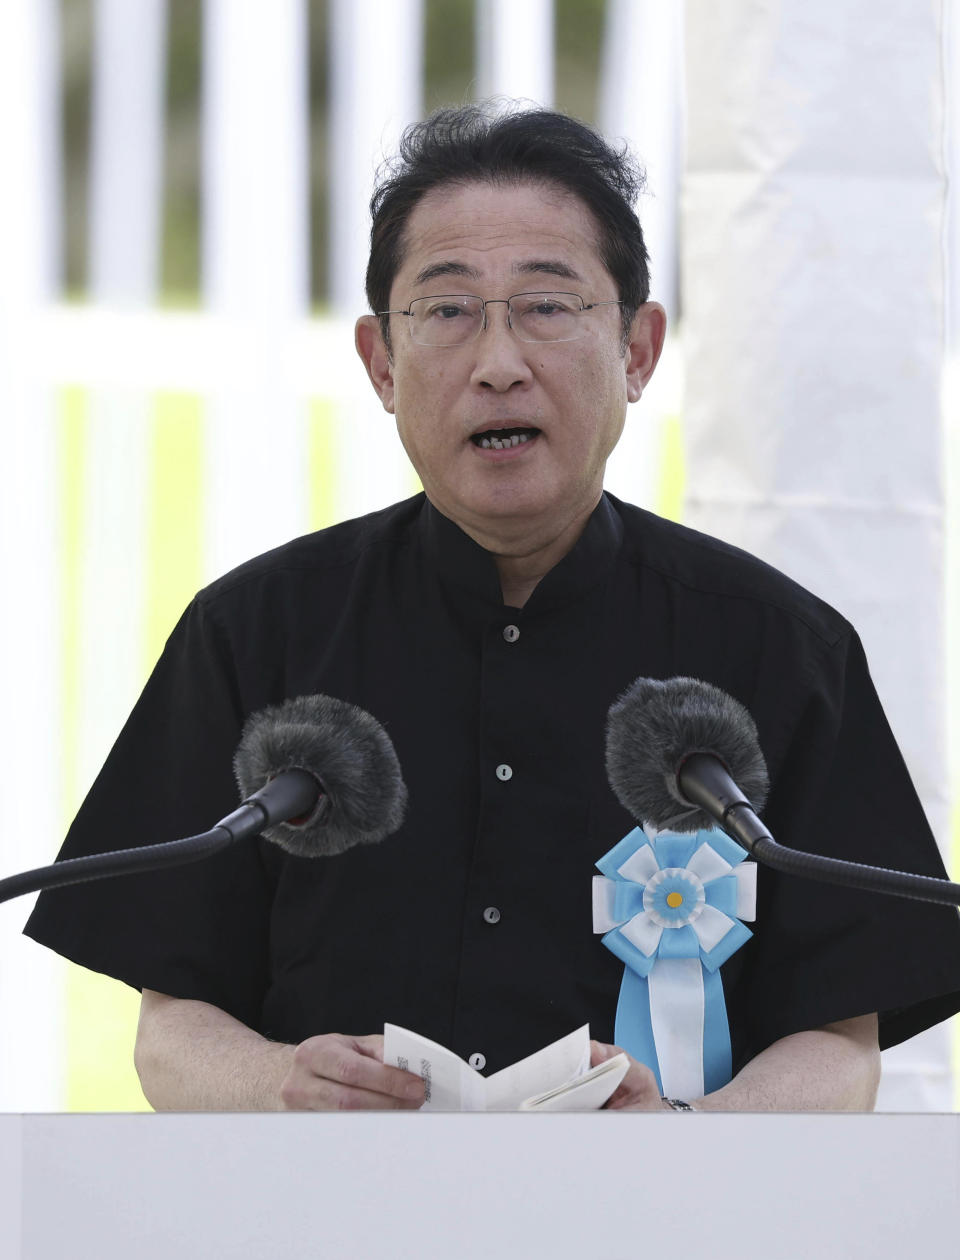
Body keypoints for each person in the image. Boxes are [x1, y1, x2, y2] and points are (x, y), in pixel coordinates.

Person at [25, 105, 960, 1113]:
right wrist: (270, 1083)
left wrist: (693, 1150)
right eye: (449, 311)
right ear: (381, 364)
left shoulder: (780, 647)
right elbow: (171, 1027)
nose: (499, 361)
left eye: (548, 307)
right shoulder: (253, 634)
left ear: (639, 350)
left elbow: (840, 1040)